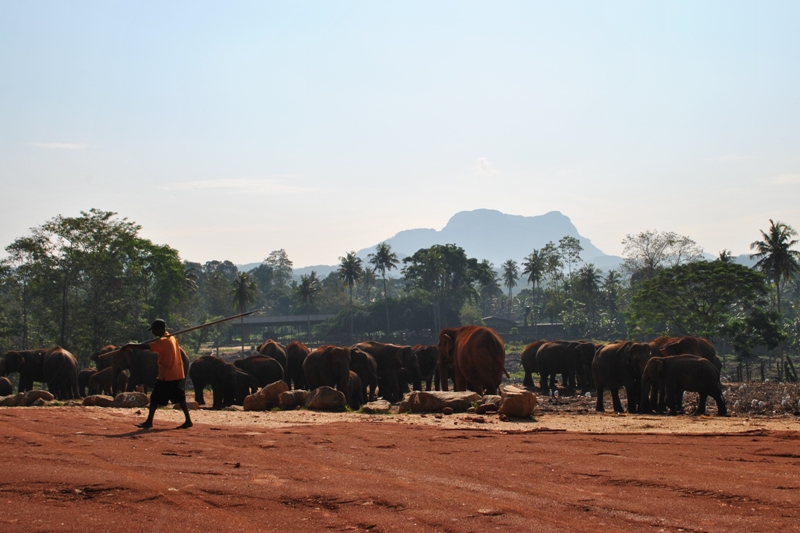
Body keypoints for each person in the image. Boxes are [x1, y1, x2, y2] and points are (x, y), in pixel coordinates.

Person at [123, 319, 192, 429]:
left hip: (167, 374)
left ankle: (149, 422)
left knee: (155, 397)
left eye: (154, 330)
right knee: (180, 397)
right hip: (175, 373)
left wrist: (130, 345)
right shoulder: (172, 338)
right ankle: (188, 420)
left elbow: (147, 347)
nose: (153, 332)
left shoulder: (164, 341)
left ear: (159, 329)